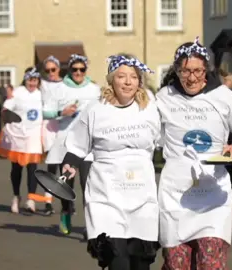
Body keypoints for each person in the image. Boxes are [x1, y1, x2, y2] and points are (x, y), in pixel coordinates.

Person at [156, 37, 232, 269]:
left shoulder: (223, 96)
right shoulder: (163, 98)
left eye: (197, 71)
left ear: (206, 70)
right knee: (176, 263)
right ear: (177, 70)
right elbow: (147, 134)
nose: (192, 78)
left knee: (210, 263)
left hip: (213, 192)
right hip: (175, 193)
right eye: (185, 71)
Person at [61, 54, 160, 270]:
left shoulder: (150, 108)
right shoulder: (96, 109)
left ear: (139, 81)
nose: (127, 82)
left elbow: (168, 141)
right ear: (111, 79)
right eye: (121, 76)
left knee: (140, 264)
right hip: (106, 196)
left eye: (133, 77)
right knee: (118, 261)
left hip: (142, 197)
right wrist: (70, 163)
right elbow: (78, 145)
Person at [42, 54, 100, 234]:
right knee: (66, 184)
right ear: (69, 70)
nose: (78, 73)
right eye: (74, 69)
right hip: (65, 142)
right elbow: (46, 112)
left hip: (88, 145)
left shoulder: (94, 89)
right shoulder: (59, 89)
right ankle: (65, 213)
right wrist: (62, 111)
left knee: (88, 185)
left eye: (82, 69)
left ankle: (90, 224)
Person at [0, 67, 44, 213]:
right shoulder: (18, 92)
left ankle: (31, 199)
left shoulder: (41, 94)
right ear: (25, 80)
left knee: (33, 167)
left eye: (35, 80)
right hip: (18, 135)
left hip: (34, 134)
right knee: (16, 168)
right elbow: (6, 108)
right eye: (30, 80)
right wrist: (7, 114)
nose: (32, 83)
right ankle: (16, 195)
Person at [39, 55, 64, 215]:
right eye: (47, 70)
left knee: (65, 167)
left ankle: (66, 203)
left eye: (53, 69)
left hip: (63, 127)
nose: (50, 73)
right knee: (52, 165)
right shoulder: (43, 85)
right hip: (48, 126)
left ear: (58, 69)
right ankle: (48, 201)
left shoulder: (65, 85)